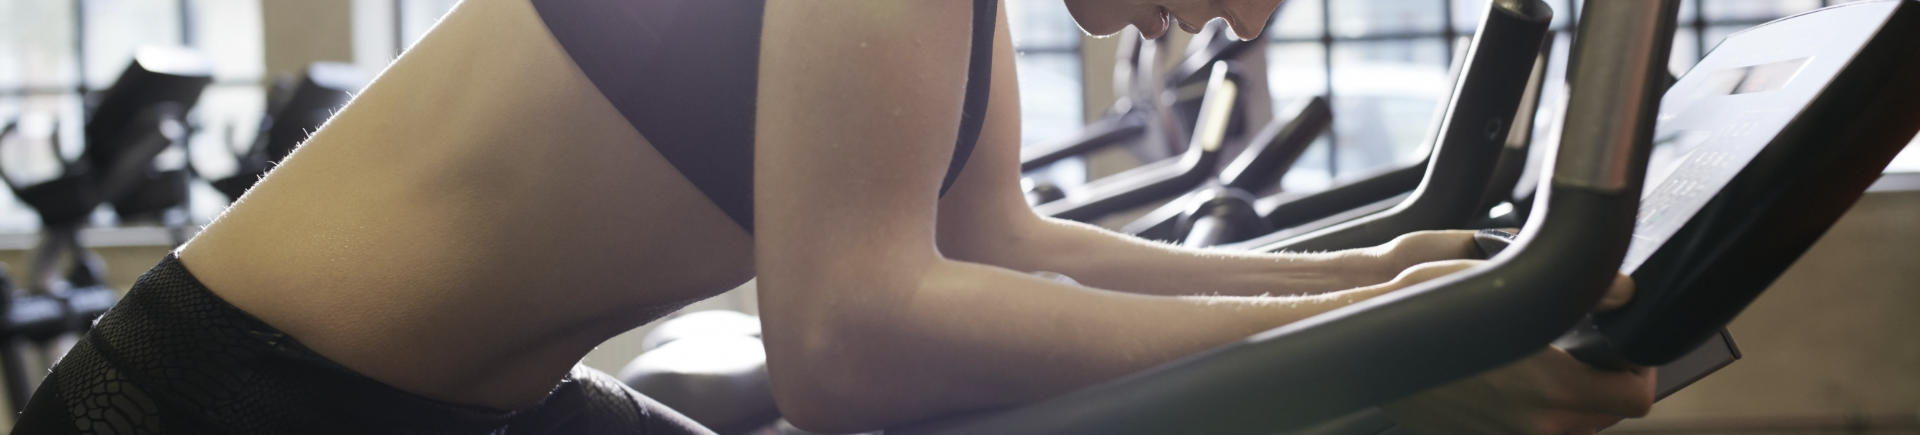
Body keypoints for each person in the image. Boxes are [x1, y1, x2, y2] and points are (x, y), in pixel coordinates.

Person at [14, 0, 1654, 434]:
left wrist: (1383, 285)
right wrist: (1374, 353)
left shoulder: (966, 13)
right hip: (232, 414)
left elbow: (997, 247)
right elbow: (852, 337)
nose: (1247, 16)